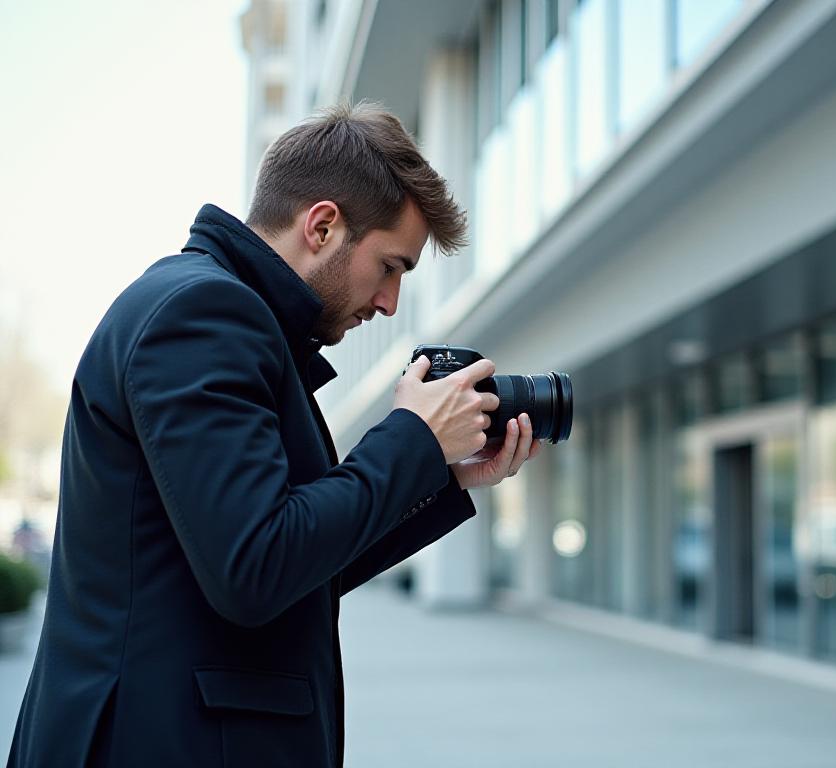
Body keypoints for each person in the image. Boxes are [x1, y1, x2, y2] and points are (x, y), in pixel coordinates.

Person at [6, 103, 539, 767]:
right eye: (391, 267)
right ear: (322, 226)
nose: (390, 303)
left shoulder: (233, 320)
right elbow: (255, 566)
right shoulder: (204, 316)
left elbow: (298, 567)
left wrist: (445, 474)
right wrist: (412, 437)